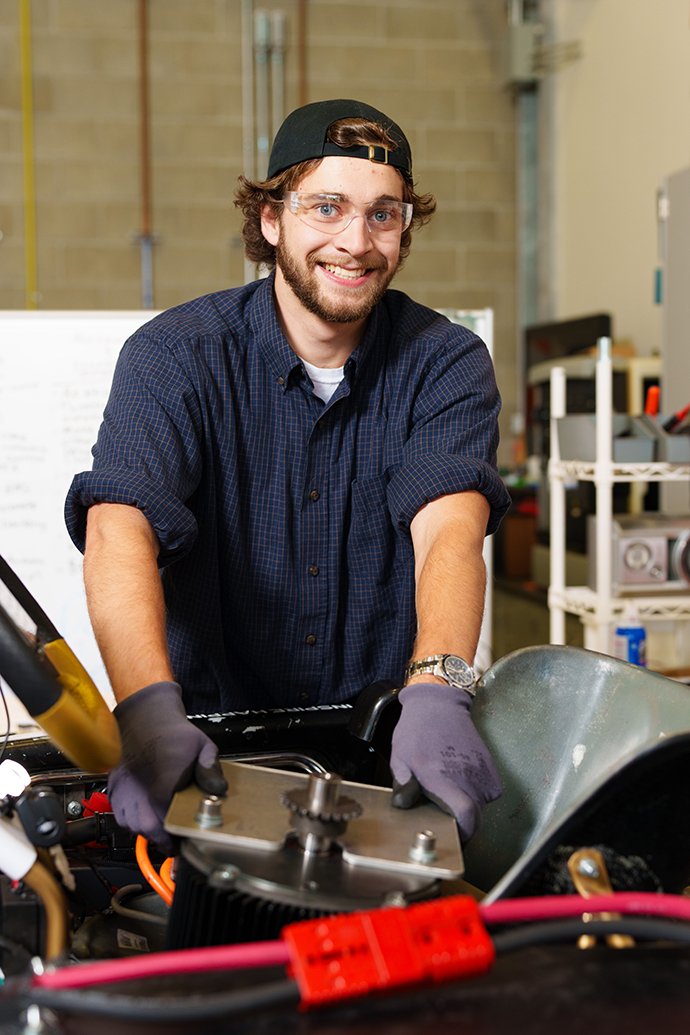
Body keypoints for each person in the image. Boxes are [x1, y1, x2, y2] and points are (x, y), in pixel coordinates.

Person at [65, 98, 511, 850]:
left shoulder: (445, 362)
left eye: (383, 214)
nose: (356, 242)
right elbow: (119, 528)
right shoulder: (176, 355)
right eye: (326, 207)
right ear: (271, 219)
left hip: (382, 754)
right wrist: (144, 708)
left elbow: (450, 533)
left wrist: (438, 690)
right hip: (202, 751)